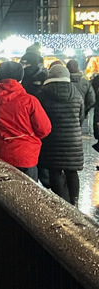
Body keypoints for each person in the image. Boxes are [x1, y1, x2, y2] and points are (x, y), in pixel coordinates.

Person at [0, 61, 51, 181]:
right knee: (27, 194)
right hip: (26, 157)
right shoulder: (29, 101)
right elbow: (44, 129)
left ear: (0, 75)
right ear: (20, 77)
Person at [37, 64, 85, 205]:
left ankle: (60, 201)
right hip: (73, 140)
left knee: (54, 171)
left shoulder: (42, 93)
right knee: (72, 171)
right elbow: (81, 116)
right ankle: (74, 201)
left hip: (52, 139)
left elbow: (40, 118)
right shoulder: (76, 92)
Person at [67, 59, 96, 134]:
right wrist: (84, 110)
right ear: (77, 68)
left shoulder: (64, 82)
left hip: (65, 113)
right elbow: (91, 100)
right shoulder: (85, 82)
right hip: (80, 112)